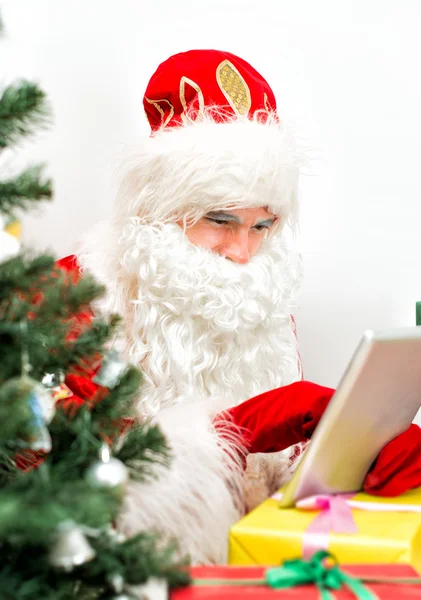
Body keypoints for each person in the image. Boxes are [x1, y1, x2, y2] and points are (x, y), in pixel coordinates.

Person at [58, 49, 421, 565]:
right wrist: (243, 427)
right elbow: (56, 487)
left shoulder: (256, 297)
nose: (242, 253)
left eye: (262, 225)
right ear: (158, 208)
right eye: (221, 220)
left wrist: (359, 449)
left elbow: (283, 484)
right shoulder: (73, 296)